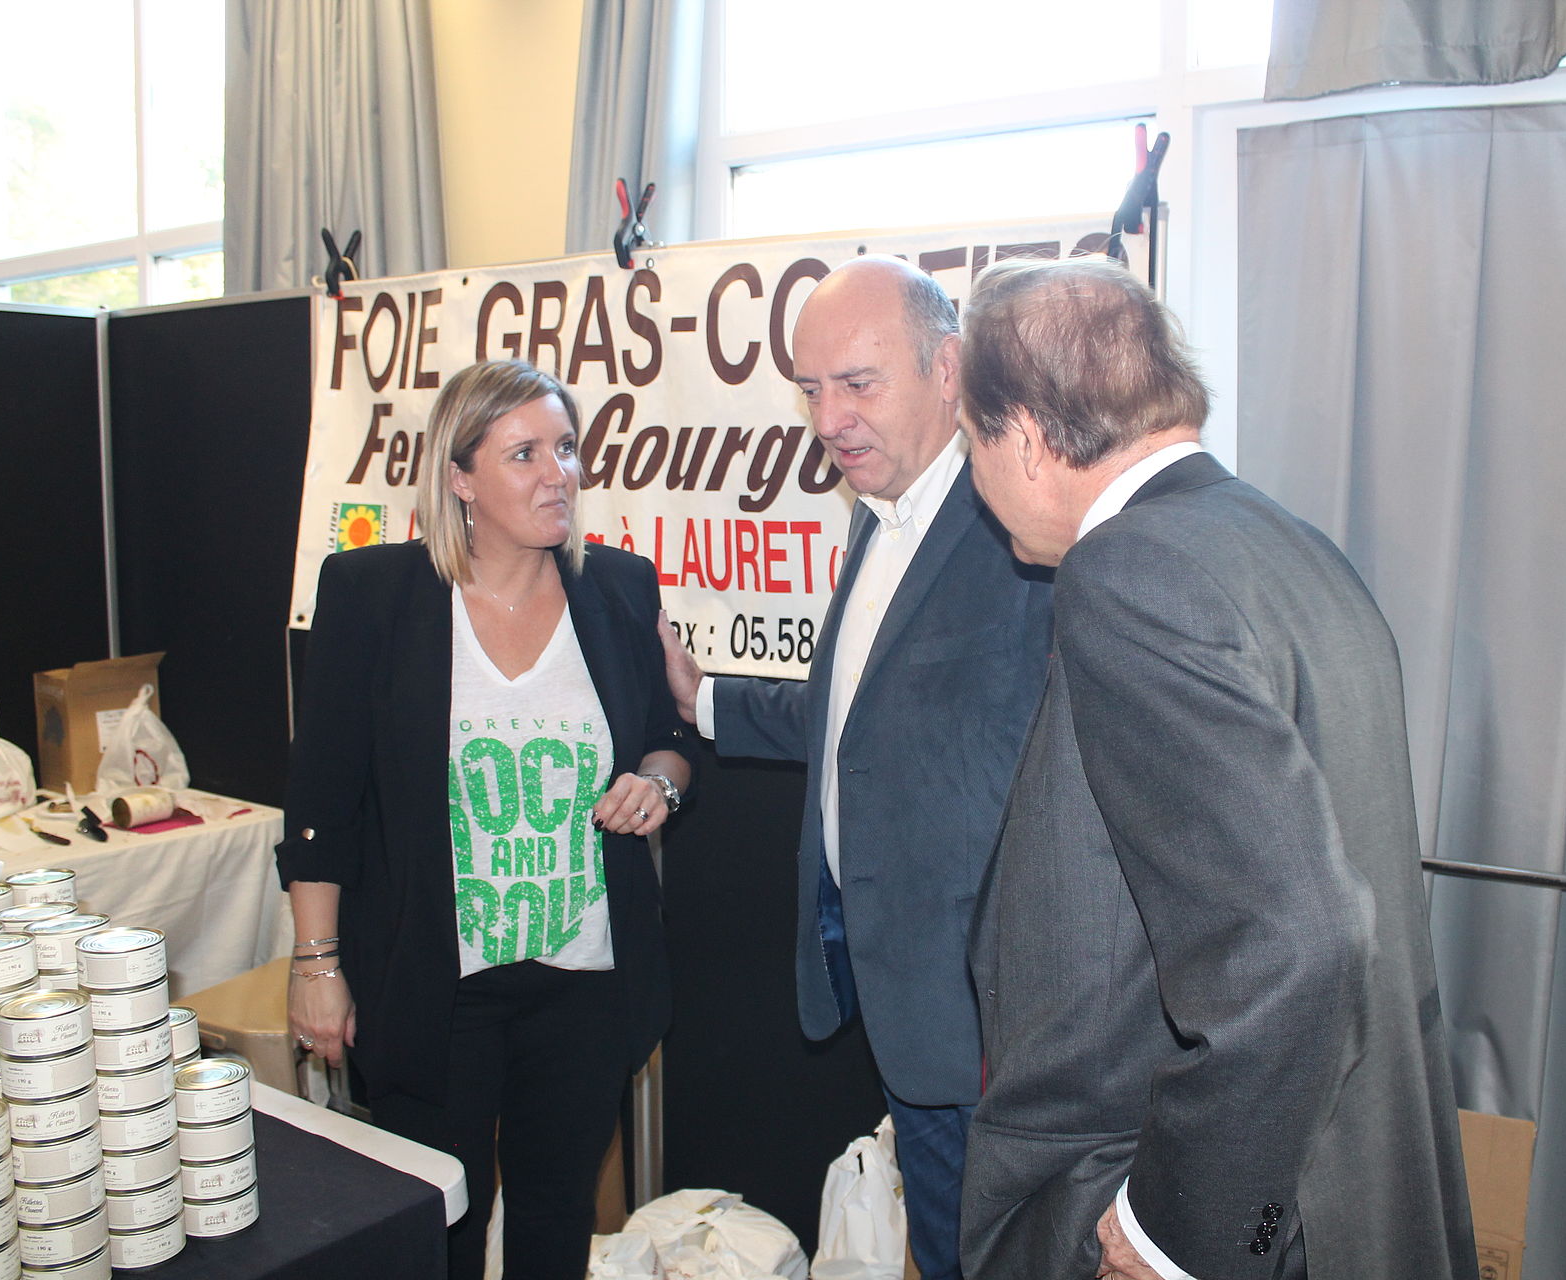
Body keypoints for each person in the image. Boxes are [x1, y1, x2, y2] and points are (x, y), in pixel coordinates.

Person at [954, 257, 1477, 1280]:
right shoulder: (1289, 544)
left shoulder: (1130, 571)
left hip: (1172, 1188)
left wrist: (1181, 1231)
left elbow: (1302, 939)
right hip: (1348, 1186)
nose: (975, 475)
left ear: (1025, 437)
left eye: (972, 439)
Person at [657, 255, 1052, 1280]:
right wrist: (706, 700)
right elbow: (860, 717)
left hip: (999, 1025)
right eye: (811, 389)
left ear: (949, 370)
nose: (829, 419)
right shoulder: (877, 515)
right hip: (902, 1004)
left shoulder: (1020, 521)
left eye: (858, 383)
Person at [279, 359, 696, 1280]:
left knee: (556, 1222)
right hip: (435, 984)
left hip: (585, 981)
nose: (559, 474)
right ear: (459, 478)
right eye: (525, 454)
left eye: (567, 448)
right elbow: (323, 801)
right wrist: (317, 966)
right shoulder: (374, 596)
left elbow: (670, 739)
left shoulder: (619, 588)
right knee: (439, 1234)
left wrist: (658, 785)